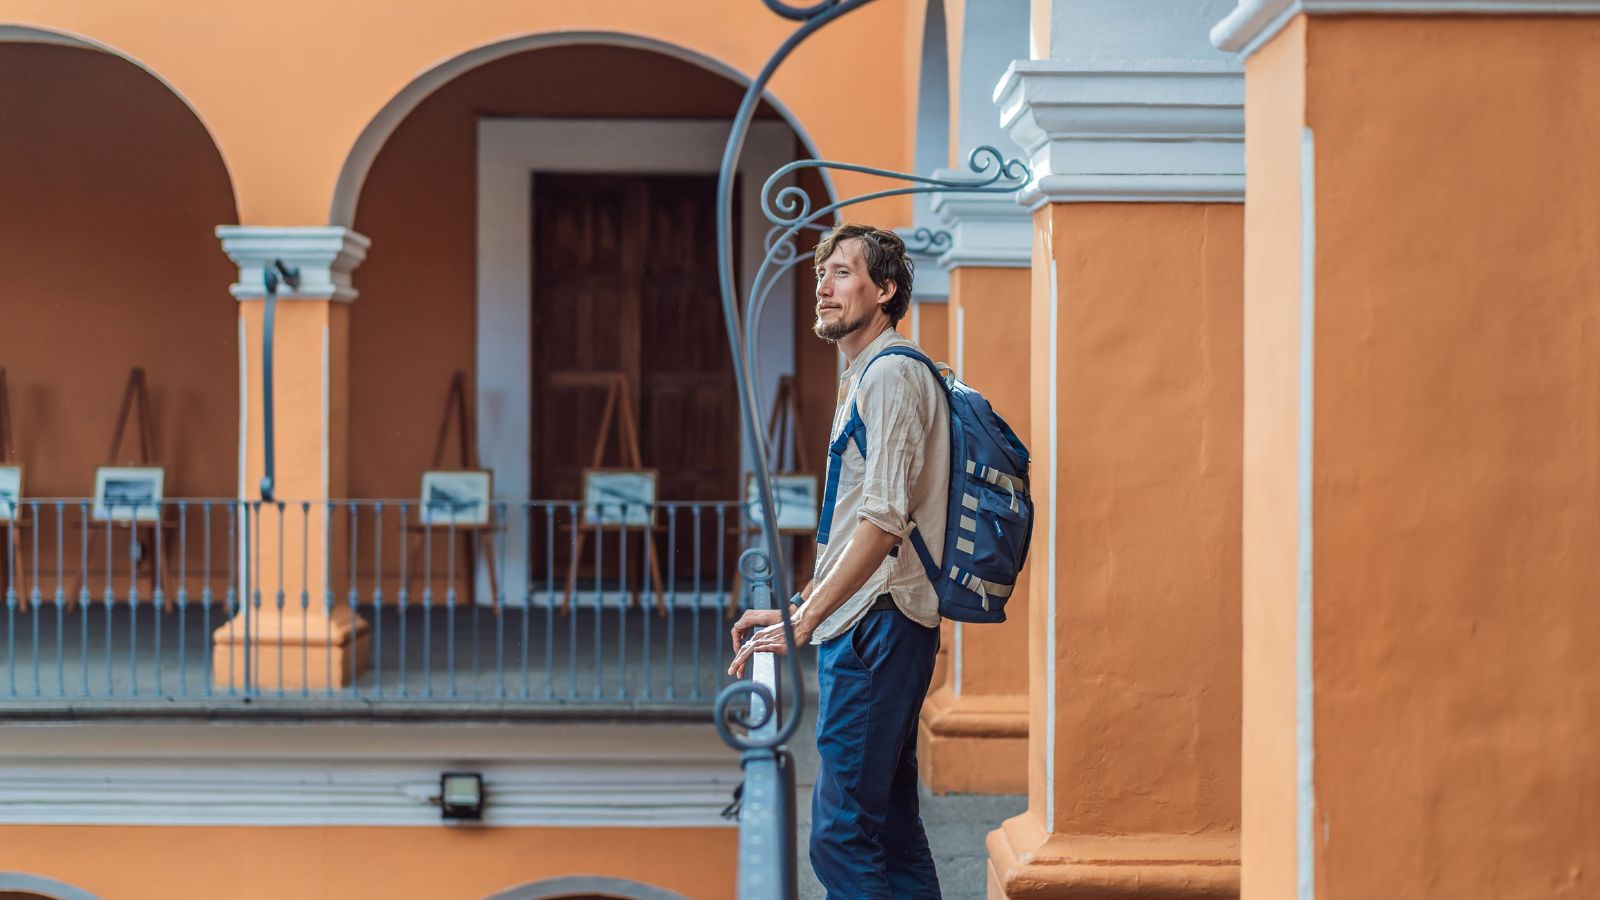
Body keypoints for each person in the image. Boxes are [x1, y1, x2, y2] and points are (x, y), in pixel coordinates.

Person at [728, 223, 949, 899]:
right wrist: (801, 607)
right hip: (871, 619)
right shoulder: (872, 374)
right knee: (889, 827)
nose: (824, 286)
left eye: (844, 273)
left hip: (876, 627)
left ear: (884, 291)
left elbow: (883, 521)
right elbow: (862, 518)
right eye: (822, 273)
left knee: (839, 833)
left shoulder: (890, 377)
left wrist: (804, 621)